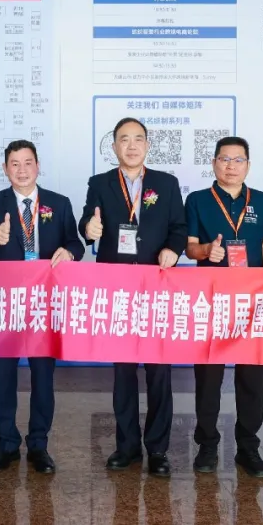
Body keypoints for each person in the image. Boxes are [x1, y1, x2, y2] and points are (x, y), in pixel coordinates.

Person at [78, 117, 187, 477]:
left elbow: (179, 228)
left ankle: (157, 449)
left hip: (156, 286)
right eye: (124, 139)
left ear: (147, 145)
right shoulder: (100, 183)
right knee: (123, 371)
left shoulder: (166, 184)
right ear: (114, 147)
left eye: (138, 139)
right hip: (118, 289)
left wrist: (173, 249)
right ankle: (126, 446)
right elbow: (86, 224)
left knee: (159, 371)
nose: (131, 145)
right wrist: (89, 228)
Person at [0, 139, 85, 475]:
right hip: (7, 299)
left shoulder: (58, 203)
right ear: (5, 168)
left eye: (27, 163)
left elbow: (75, 242)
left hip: (44, 300)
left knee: (42, 374)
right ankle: (6, 444)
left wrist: (69, 252)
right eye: (14, 164)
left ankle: (39, 444)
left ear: (38, 166)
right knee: (5, 374)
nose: (21, 170)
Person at [184, 136, 263, 479]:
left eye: (238, 160)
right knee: (208, 376)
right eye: (224, 159)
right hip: (212, 298)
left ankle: (248, 447)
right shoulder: (197, 200)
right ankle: (207, 444)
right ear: (214, 163)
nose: (231, 166)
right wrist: (207, 250)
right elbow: (190, 248)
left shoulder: (262, 201)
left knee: (252, 376)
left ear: (248, 165)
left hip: (253, 300)